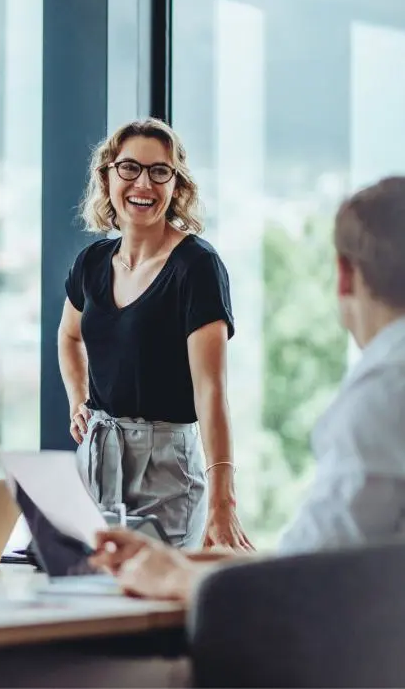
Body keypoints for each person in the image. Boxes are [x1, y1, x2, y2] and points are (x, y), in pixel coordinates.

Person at [91, 175, 405, 603]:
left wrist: (174, 579)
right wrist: (181, 561)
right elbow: (320, 556)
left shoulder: (384, 393)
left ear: (344, 276)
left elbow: (304, 582)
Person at [59, 117, 250, 550]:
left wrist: (224, 501)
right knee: (88, 597)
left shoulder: (197, 267)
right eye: (129, 168)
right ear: (107, 176)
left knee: (156, 606)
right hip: (95, 457)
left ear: (176, 185)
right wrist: (77, 401)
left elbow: (211, 391)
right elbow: (69, 337)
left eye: (159, 171)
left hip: (166, 466)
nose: (142, 183)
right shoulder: (91, 263)